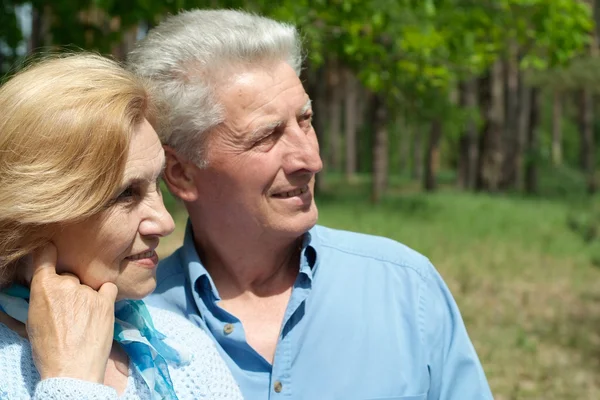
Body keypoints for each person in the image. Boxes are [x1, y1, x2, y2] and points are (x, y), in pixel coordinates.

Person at [128, 9, 494, 400]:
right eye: (266, 136)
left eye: (305, 120)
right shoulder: (134, 328)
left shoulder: (406, 289)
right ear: (182, 173)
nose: (310, 160)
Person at [0, 54, 243, 400]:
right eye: (125, 194)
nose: (164, 222)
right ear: (34, 215)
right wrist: (71, 382)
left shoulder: (181, 350)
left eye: (155, 184)